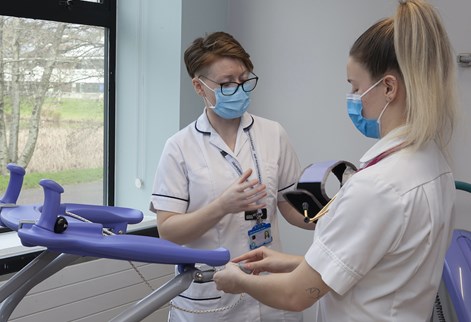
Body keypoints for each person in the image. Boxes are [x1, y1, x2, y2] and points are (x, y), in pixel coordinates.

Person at [213, 1, 459, 321]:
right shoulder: (433, 163)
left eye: (355, 87)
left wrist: (239, 282)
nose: (353, 98)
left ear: (388, 87)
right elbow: (376, 263)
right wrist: (291, 262)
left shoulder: (377, 186)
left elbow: (295, 294)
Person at [150, 31, 311, 322]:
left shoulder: (273, 133)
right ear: (199, 87)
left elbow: (291, 208)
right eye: (226, 84)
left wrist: (336, 214)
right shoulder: (179, 147)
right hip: (210, 297)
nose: (238, 88)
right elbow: (169, 231)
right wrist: (222, 206)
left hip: (269, 292)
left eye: (243, 79)